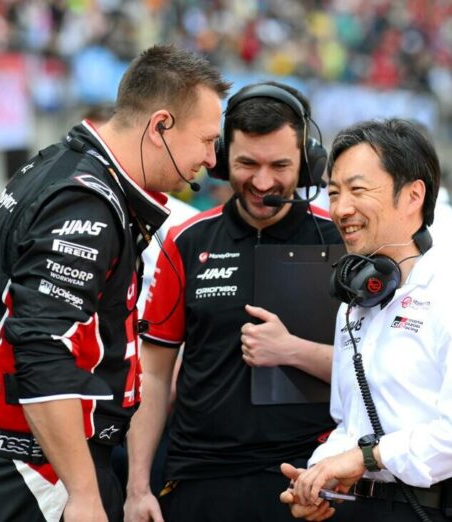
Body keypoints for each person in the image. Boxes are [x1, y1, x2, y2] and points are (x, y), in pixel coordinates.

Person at [0, 44, 230, 522]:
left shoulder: (52, 164)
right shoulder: (87, 202)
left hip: (22, 458)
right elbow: (42, 345)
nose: (210, 158)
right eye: (206, 140)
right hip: (43, 472)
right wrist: (82, 493)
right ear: (160, 125)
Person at [280, 118, 452, 521]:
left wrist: (367, 457)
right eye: (334, 192)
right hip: (352, 510)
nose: (341, 208)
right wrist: (318, 475)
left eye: (358, 190)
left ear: (413, 196)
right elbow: (348, 425)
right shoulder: (355, 303)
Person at [124, 81, 343, 522]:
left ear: (307, 162)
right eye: (247, 164)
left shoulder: (341, 242)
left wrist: (293, 351)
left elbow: (377, 370)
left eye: (280, 165)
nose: (262, 182)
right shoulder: (187, 241)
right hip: (199, 477)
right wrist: (137, 487)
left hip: (307, 481)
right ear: (222, 160)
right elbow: (155, 372)